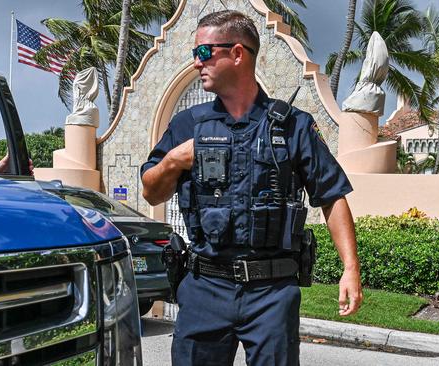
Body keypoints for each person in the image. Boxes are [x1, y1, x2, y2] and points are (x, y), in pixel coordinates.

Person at [140, 10, 362, 366]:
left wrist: (350, 268)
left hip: (271, 292)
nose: (196, 64)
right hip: (204, 286)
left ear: (237, 54)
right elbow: (152, 192)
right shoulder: (187, 125)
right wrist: (173, 161)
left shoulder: (294, 127)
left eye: (203, 53)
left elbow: (332, 196)